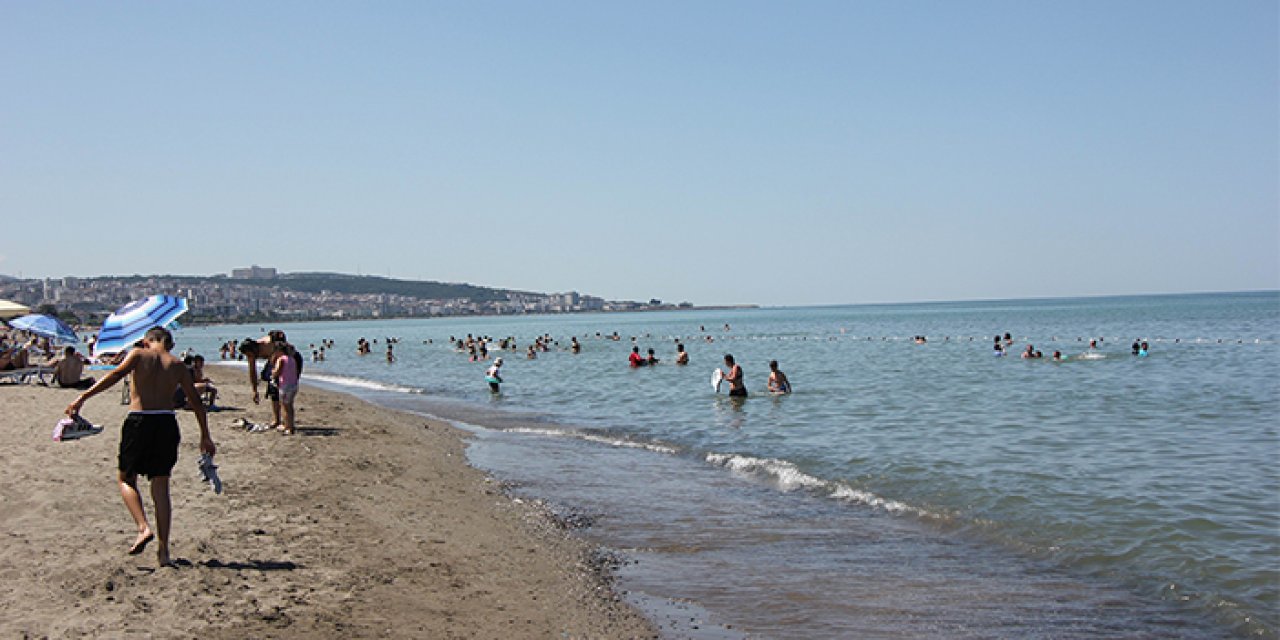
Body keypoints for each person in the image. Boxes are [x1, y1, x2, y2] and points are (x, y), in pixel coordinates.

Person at [64, 326, 215, 567]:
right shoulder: (177, 365)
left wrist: (82, 398)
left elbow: (114, 376)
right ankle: (164, 552)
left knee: (125, 478)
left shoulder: (137, 354)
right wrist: (205, 436)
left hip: (139, 420)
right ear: (170, 344)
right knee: (161, 485)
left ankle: (143, 527)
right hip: (166, 422)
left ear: (148, 341)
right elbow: (196, 402)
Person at [238, 330, 287, 406]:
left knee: (276, 382)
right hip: (273, 360)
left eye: (249, 355)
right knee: (266, 377)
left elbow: (280, 336)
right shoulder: (251, 355)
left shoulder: (267, 343)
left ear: (254, 349)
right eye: (247, 355)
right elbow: (252, 371)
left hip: (285, 358)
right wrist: (254, 391)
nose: (249, 357)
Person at [273, 340, 300, 435]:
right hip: (294, 385)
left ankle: (287, 426)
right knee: (290, 406)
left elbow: (277, 372)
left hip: (285, 386)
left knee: (284, 406)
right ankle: (291, 425)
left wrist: (273, 373)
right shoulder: (292, 359)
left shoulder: (281, 359)